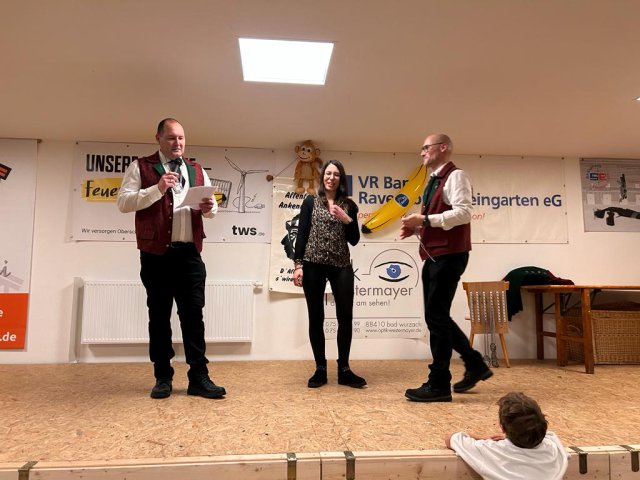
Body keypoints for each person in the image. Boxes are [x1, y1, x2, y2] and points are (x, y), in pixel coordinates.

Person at [117, 118, 225, 400]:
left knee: (194, 317)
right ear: (158, 138)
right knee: (159, 315)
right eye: (171, 138)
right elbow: (123, 203)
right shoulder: (141, 167)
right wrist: (157, 189)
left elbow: (212, 210)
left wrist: (209, 207)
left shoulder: (196, 170)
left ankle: (199, 377)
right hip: (157, 256)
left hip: (190, 255)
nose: (177, 143)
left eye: (181, 138)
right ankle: (162, 376)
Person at [400, 133, 491, 402]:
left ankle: (439, 384)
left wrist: (425, 220)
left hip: (449, 256)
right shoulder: (435, 180)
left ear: (443, 148)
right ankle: (474, 363)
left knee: (436, 317)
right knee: (436, 316)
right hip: (435, 255)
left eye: (426, 147)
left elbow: (463, 213)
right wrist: (419, 227)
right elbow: (440, 219)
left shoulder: (456, 176)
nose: (422, 152)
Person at [293, 159, 366, 388]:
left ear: (341, 179)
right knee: (316, 317)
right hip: (313, 264)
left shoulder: (349, 205)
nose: (331, 177)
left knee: (345, 317)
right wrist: (298, 265)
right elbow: (302, 234)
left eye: (335, 174)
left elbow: (354, 240)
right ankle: (320, 369)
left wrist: (346, 219)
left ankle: (344, 369)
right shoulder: (311, 201)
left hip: (341, 264)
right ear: (322, 176)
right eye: (328, 173)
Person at [445, 392, 569, 480]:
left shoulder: (490, 450)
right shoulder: (553, 448)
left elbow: (450, 438)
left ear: (502, 428)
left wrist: (483, 438)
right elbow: (545, 434)